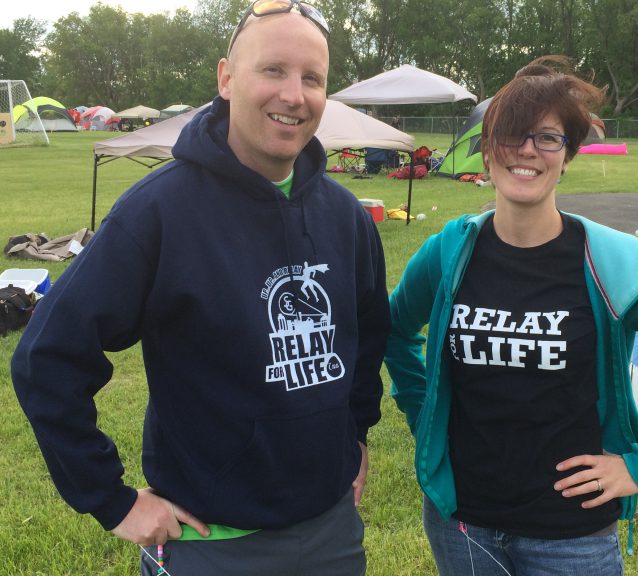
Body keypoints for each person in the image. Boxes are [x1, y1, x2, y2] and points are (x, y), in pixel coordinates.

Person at [12, 2, 389, 575]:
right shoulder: (158, 212)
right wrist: (112, 501)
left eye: (312, 78)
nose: (294, 94)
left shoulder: (346, 217)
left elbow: (365, 336)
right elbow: (47, 360)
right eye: (273, 70)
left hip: (332, 532)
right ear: (226, 78)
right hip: (210, 544)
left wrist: (356, 435)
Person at [384, 55, 638, 576]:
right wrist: (423, 414)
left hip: (573, 536)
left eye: (548, 138)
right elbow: (392, 332)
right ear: (486, 149)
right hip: (461, 523)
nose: (528, 150)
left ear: (567, 155)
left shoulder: (614, 263)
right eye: (511, 134)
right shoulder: (448, 252)